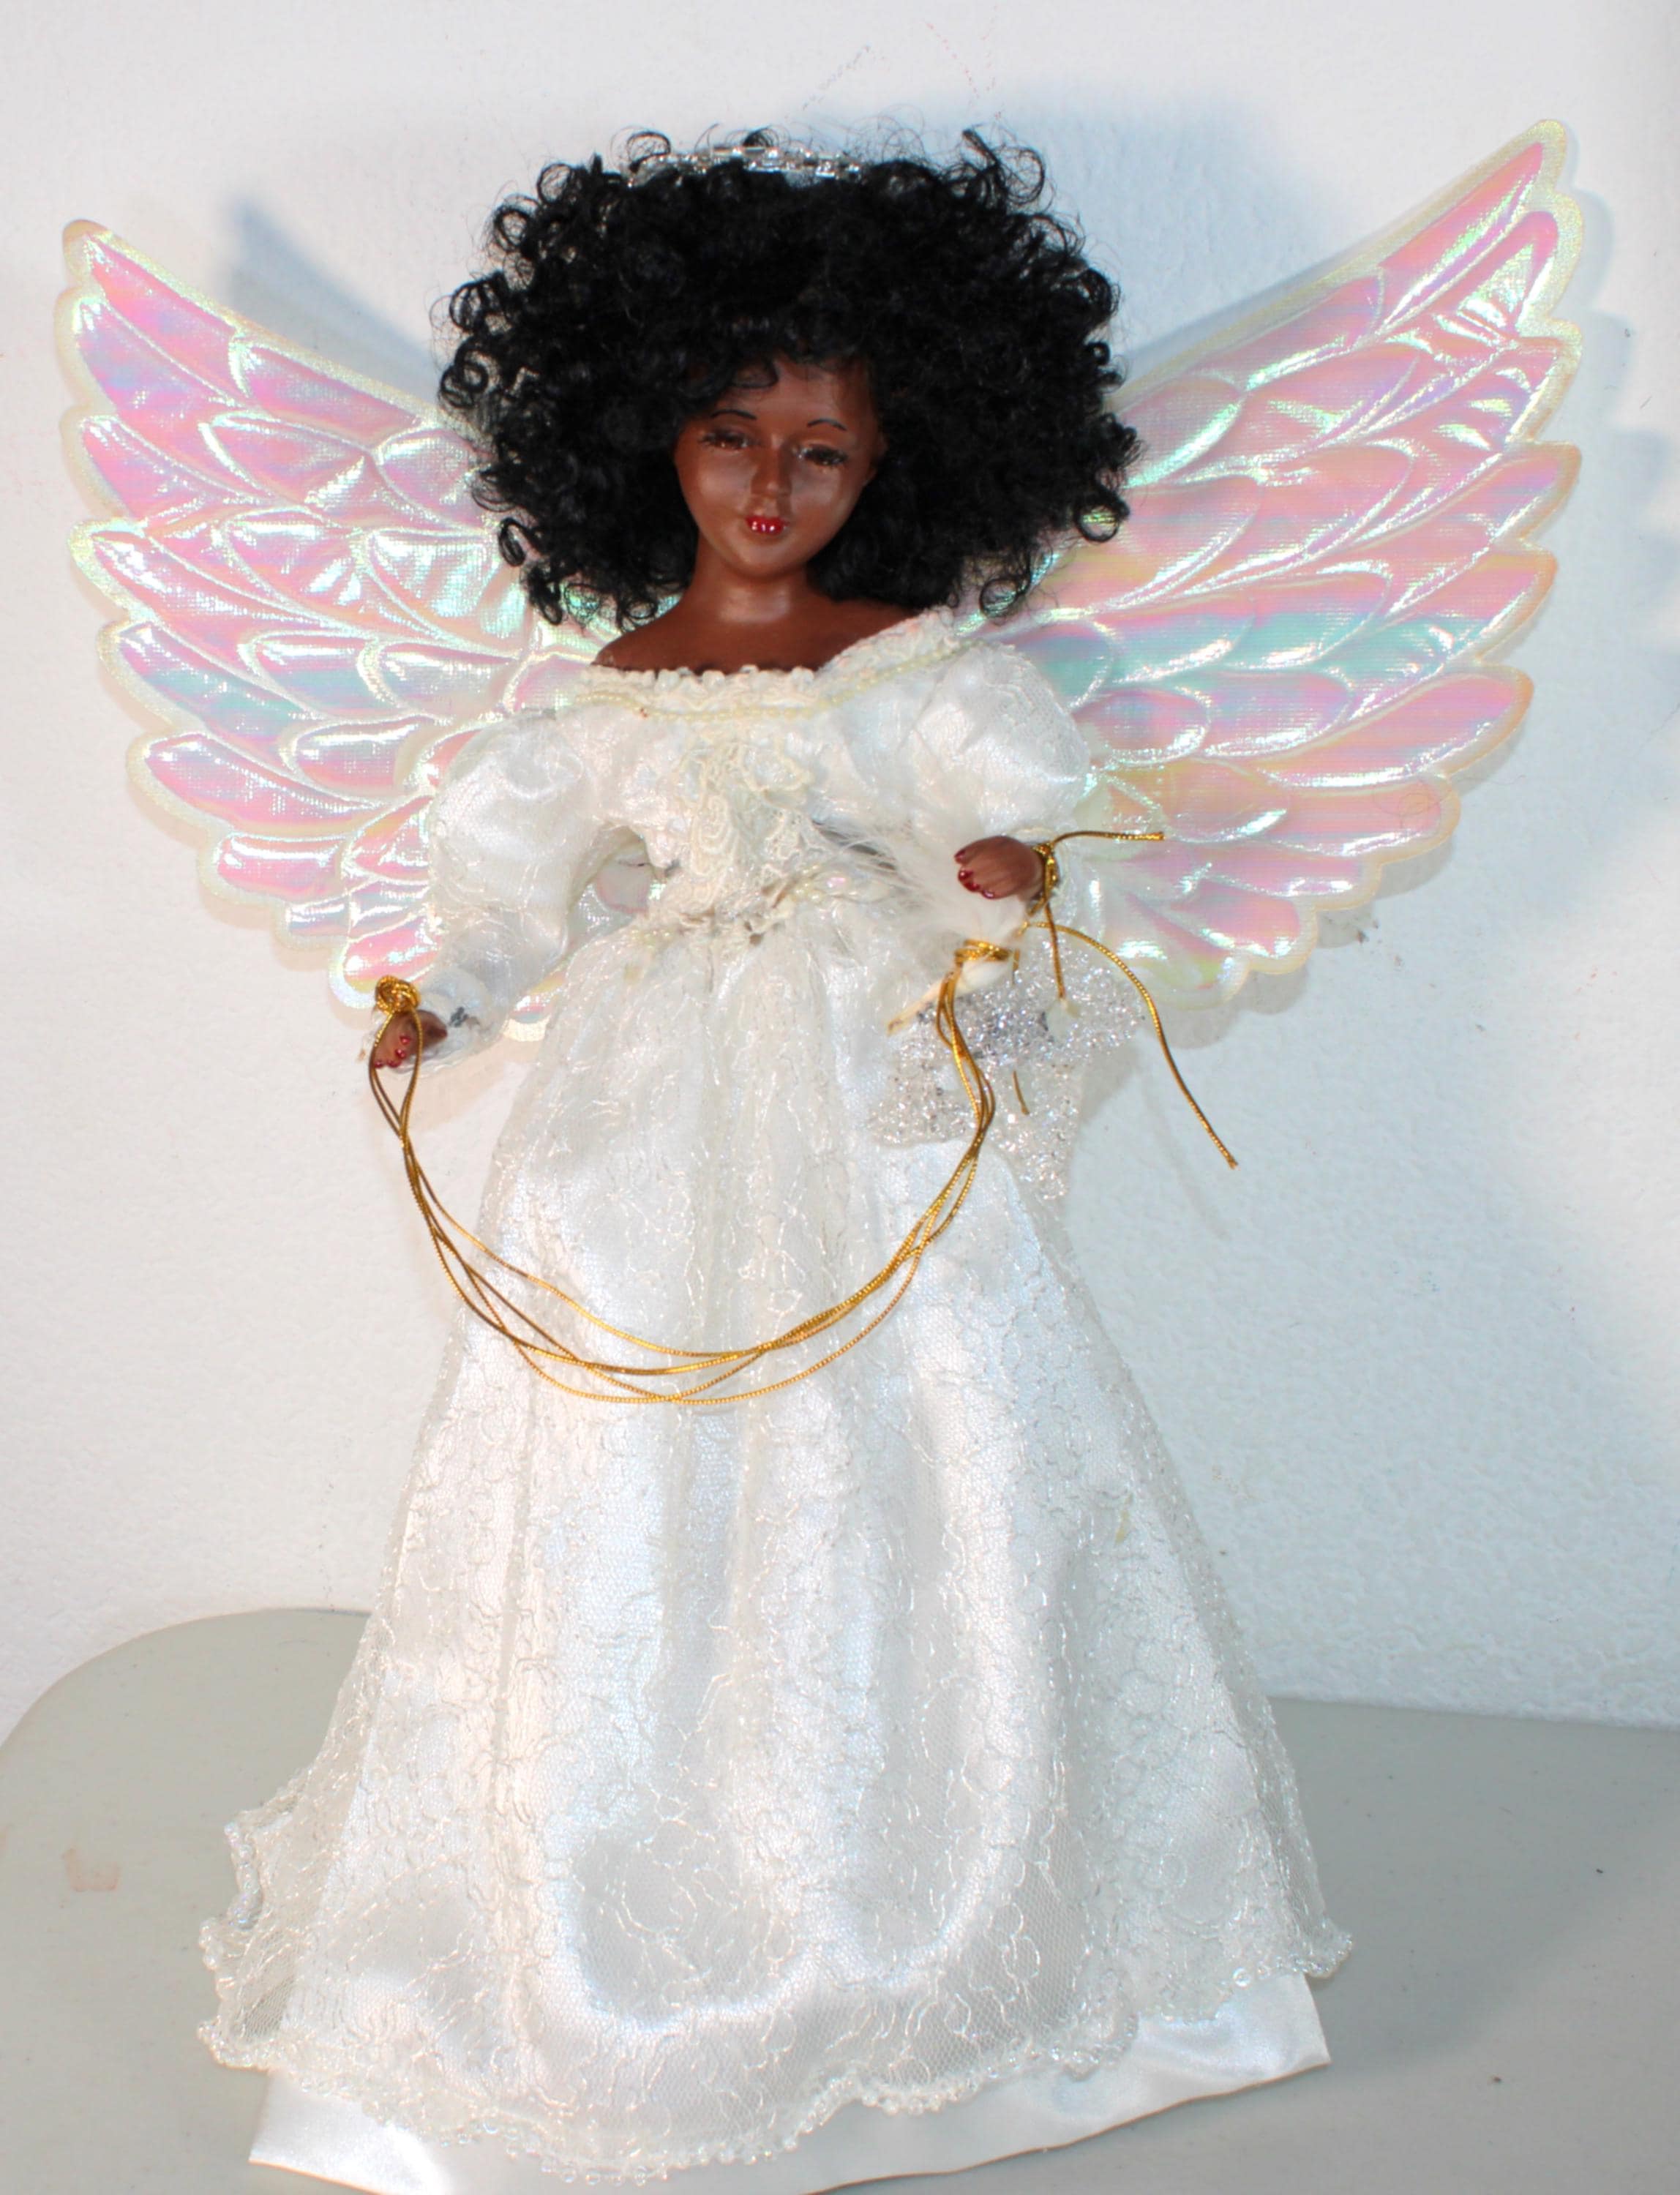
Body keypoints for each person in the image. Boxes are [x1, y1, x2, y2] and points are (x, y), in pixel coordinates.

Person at [199, 131, 1349, 2195]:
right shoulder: (604, 702)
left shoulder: (916, 676)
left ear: (892, 465)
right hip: (643, 1120)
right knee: (607, 1468)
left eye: (822, 452)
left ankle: (940, 1928)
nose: (768, 485)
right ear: (647, 432)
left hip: (855, 1088)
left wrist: (1001, 875)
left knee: (922, 1446)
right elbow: (510, 901)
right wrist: (439, 1001)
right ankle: (593, 1904)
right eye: (732, 433)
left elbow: (1025, 826)